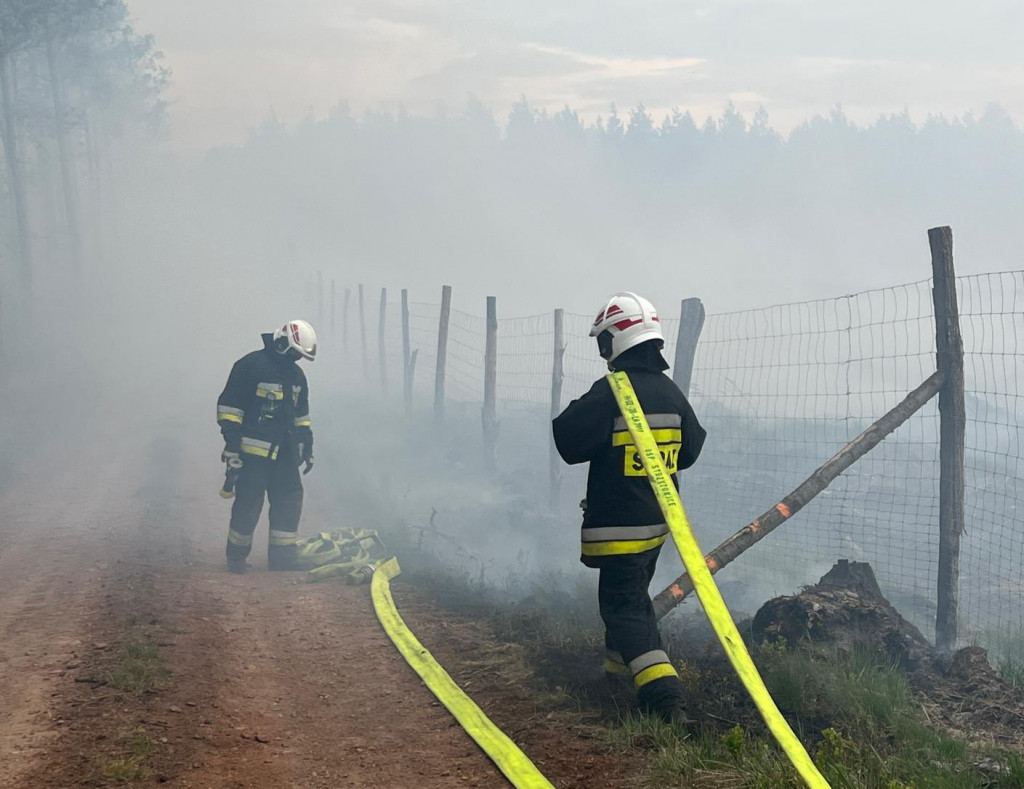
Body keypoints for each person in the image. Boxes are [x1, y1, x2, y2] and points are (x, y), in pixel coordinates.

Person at [552, 292, 706, 724]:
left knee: (621, 606)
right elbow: (691, 449)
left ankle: (666, 699)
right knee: (632, 599)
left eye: (604, 343)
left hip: (617, 528)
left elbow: (568, 439)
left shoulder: (613, 392)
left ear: (616, 341)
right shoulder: (671, 394)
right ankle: (615, 678)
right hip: (657, 528)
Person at [216, 320, 317, 573]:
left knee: (289, 500)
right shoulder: (250, 366)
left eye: (300, 356)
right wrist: (232, 442)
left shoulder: (296, 375)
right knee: (248, 504)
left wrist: (306, 442)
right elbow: (230, 407)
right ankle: (237, 558)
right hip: (252, 455)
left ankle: (283, 559)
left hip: (285, 454)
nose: (297, 359)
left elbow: (301, 414)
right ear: (282, 343)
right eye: (295, 353)